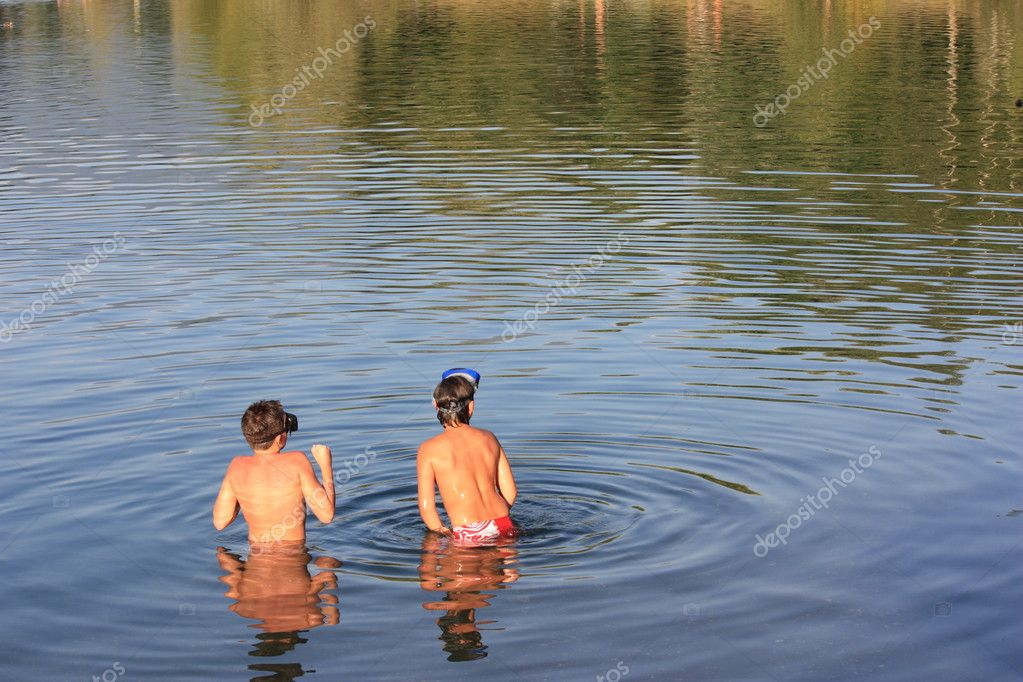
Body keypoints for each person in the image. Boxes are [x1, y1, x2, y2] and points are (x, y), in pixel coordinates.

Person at [416, 369, 518, 544]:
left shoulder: (428, 449)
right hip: (503, 523)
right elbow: (511, 492)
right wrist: (493, 521)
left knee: (460, 571)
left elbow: (427, 508)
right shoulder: (489, 438)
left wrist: (442, 532)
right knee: (507, 571)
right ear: (471, 407)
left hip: (468, 531)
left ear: (436, 406)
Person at [213, 400, 335, 545]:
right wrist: (325, 465)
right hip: (294, 557)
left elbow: (220, 522)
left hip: (255, 560)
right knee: (328, 564)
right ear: (280, 438)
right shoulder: (297, 461)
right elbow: (327, 516)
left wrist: (242, 494)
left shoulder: (236, 466)